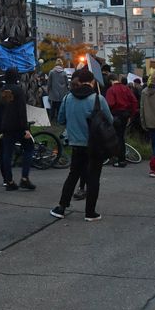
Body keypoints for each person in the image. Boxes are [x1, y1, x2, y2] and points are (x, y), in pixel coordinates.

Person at [50, 68, 110, 221]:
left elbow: (61, 120)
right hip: (95, 145)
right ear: (91, 82)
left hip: (76, 144)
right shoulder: (98, 99)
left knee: (73, 175)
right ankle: (90, 213)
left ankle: (61, 208)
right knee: (93, 178)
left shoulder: (68, 98)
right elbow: (109, 120)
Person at [0, 68, 35, 191]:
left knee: (7, 153)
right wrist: (26, 128)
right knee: (29, 147)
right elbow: (21, 110)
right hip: (18, 126)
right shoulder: (18, 90)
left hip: (5, 126)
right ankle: (24, 178)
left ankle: (9, 181)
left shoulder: (2, 90)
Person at [104, 76, 138, 168]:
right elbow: (134, 101)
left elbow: (109, 104)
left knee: (115, 137)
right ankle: (121, 158)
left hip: (115, 115)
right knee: (121, 137)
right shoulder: (126, 88)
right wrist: (131, 115)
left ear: (111, 81)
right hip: (125, 115)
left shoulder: (111, 90)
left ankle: (118, 158)